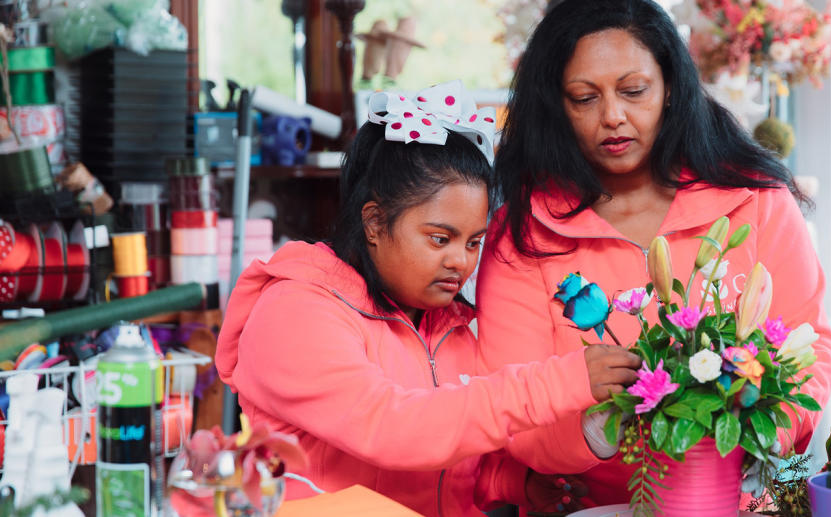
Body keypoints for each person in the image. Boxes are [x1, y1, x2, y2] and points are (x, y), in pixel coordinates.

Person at [215, 81, 642, 517]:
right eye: (440, 238)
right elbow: (393, 428)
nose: (461, 261)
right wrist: (561, 381)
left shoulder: (445, 325)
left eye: (474, 242)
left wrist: (513, 482)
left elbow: (450, 464)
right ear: (376, 223)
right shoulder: (296, 313)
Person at [476, 0, 831, 506]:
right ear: (556, 107)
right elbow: (507, 407)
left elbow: (811, 348)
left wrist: (760, 439)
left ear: (670, 88)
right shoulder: (522, 234)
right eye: (584, 98)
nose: (613, 117)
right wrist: (598, 430)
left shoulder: (754, 200)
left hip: (750, 496)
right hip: (600, 507)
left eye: (634, 91)